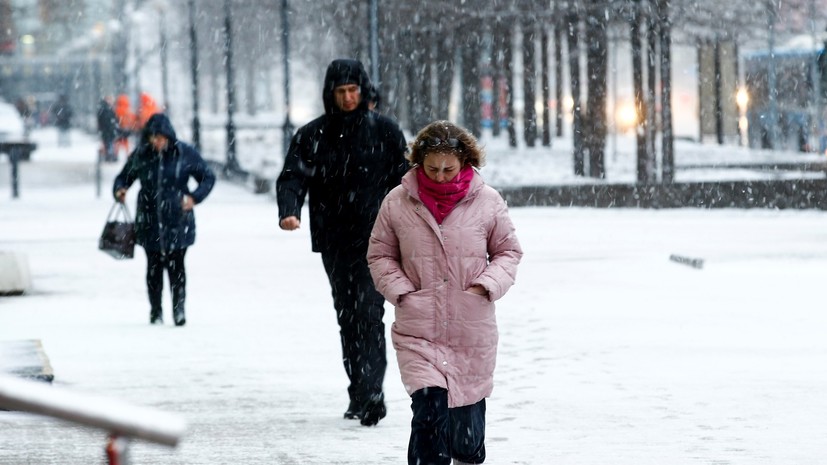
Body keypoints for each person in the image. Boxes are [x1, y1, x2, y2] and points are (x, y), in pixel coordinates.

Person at [367, 121, 523, 465]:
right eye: (431, 168)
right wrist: (402, 291)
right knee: (428, 409)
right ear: (418, 162)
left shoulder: (488, 201)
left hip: (471, 324)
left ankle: (467, 448)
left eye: (448, 169)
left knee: (465, 434)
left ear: (465, 163)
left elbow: (508, 252)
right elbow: (380, 254)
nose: (439, 176)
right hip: (418, 324)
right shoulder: (397, 202)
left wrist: (486, 285)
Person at [276, 58, 408, 426]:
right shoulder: (312, 134)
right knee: (347, 316)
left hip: (378, 240)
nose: (349, 98)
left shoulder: (385, 132)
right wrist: (290, 210)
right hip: (334, 240)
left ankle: (372, 393)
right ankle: (359, 390)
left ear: (363, 90)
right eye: (341, 92)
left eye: (353, 90)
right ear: (330, 94)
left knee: (370, 313)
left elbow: (405, 181)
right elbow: (291, 177)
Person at [113, 113, 216, 327]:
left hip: (177, 219)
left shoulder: (184, 153)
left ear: (169, 137)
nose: (157, 142)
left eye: (161, 138)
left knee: (177, 266)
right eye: (153, 138)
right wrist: (120, 189)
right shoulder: (141, 155)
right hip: (149, 219)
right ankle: (156, 311)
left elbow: (207, 177)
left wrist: (194, 198)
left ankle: (179, 310)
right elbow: (124, 177)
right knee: (154, 267)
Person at [97, 96, 118, 162]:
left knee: (108, 143)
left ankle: (108, 156)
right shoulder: (106, 109)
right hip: (107, 131)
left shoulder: (104, 108)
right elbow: (108, 120)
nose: (112, 102)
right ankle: (109, 156)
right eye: (110, 100)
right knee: (108, 143)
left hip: (106, 130)